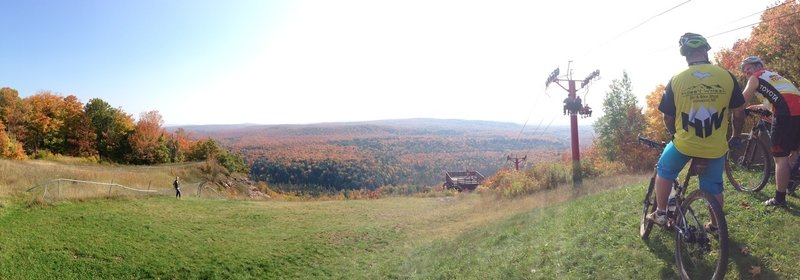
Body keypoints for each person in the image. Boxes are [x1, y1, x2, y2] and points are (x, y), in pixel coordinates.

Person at [647, 33, 745, 230]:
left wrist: (674, 134)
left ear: (685, 55)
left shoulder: (677, 79)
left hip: (684, 144)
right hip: (715, 147)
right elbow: (739, 113)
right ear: (706, 51)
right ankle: (716, 226)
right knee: (713, 187)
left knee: (664, 171)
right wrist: (734, 136)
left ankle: (661, 213)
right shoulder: (726, 76)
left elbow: (667, 117)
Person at [740, 55, 800, 207]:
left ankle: (779, 199)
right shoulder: (775, 77)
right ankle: (791, 180)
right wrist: (753, 108)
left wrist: (734, 110)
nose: (747, 72)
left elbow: (742, 100)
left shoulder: (755, 78)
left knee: (780, 159)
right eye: (745, 71)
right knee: (793, 151)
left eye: (750, 68)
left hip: (786, 113)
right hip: (795, 110)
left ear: (759, 66)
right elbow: (772, 102)